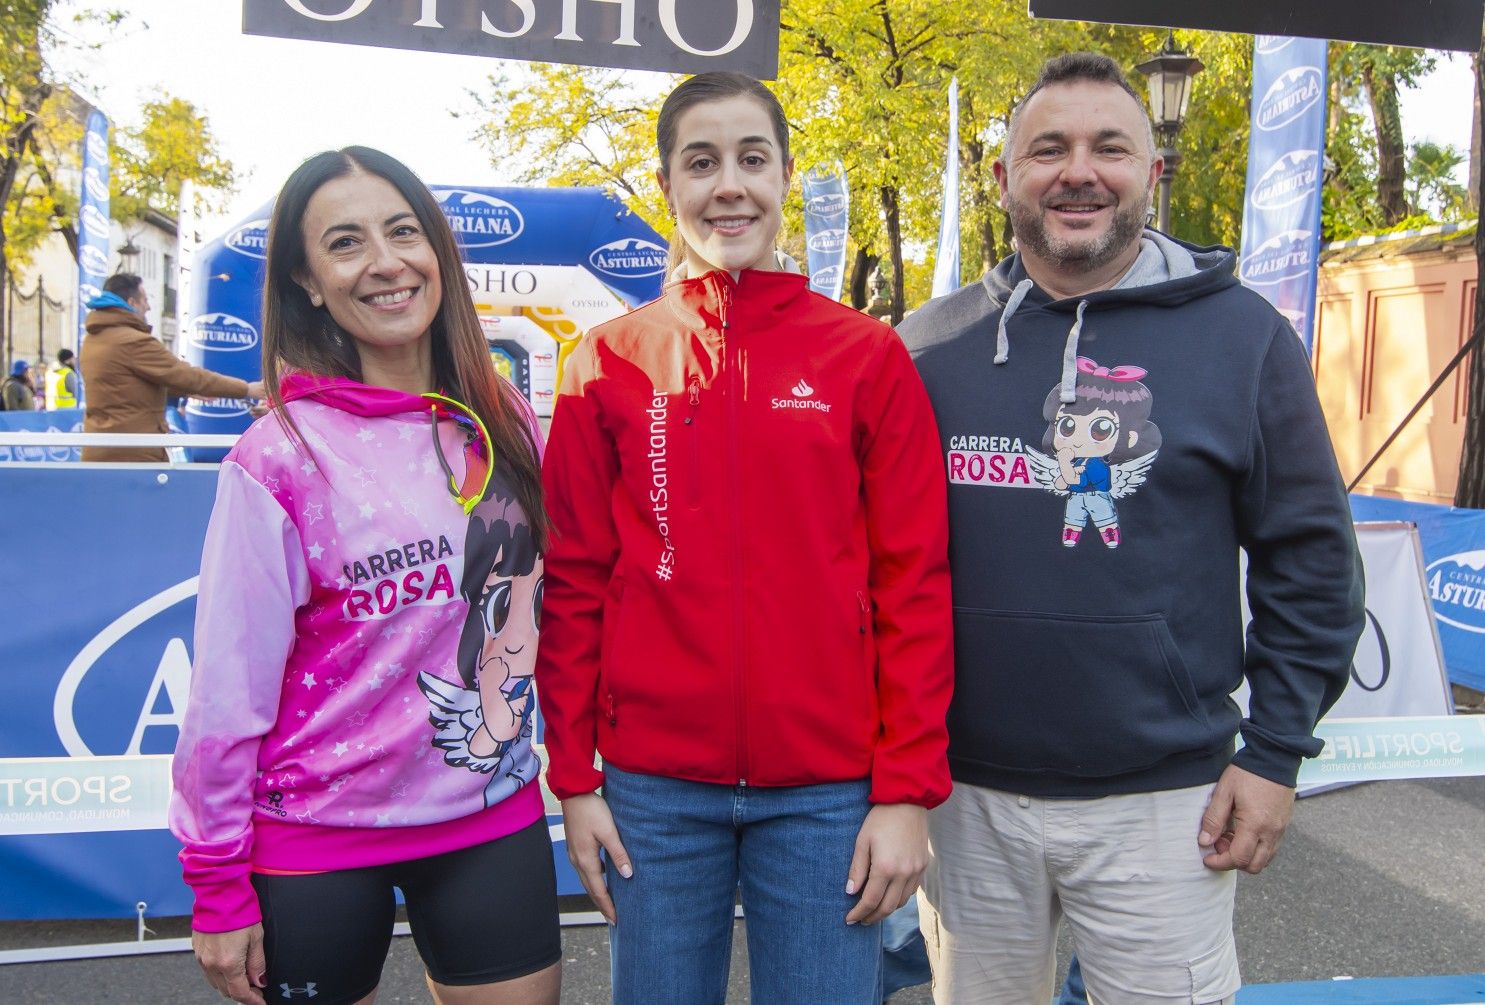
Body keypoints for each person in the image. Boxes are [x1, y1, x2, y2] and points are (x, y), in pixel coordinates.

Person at [897, 52, 1365, 1004]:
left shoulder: (1243, 339)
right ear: (1004, 177)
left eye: (1109, 148)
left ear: (1151, 171)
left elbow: (1311, 560)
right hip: (964, 799)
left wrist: (1274, 752)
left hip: (1166, 803)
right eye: (1049, 149)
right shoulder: (926, 347)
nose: (1079, 172)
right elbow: (875, 566)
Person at [536, 71, 954, 1005]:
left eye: (751, 159)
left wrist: (904, 788)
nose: (729, 185)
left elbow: (914, 580)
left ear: (784, 175)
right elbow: (574, 579)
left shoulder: (865, 356)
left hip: (825, 789)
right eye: (701, 162)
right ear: (667, 185)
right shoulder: (605, 361)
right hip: (652, 791)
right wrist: (574, 777)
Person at [169, 146, 560, 1005]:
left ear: (436, 251)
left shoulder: (501, 417)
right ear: (308, 282)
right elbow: (226, 692)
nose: (385, 262)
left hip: (489, 817)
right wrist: (217, 879)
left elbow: (544, 607)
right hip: (315, 838)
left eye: (402, 232)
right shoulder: (277, 456)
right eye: (345, 243)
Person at [78, 272, 265, 462]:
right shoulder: (132, 341)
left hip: (100, 449)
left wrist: (182, 390)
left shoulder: (93, 340)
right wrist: (246, 389)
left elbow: (124, 388)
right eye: (145, 300)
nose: (149, 306)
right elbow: (186, 375)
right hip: (133, 454)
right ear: (132, 302)